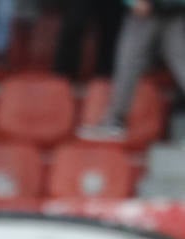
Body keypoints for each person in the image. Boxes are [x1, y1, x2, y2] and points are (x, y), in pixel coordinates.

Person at [79, 0, 185, 143]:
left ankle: (114, 123)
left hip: (163, 8)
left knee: (129, 63)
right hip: (160, 8)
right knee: (129, 64)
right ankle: (114, 123)